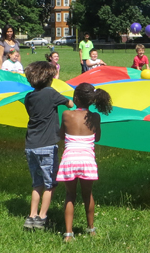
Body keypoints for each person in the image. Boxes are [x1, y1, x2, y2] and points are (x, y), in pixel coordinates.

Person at [23, 61, 74, 229]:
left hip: (30, 145)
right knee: (49, 184)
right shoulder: (51, 93)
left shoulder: (28, 97)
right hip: (47, 146)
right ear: (49, 78)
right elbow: (70, 104)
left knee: (36, 183)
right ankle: (42, 217)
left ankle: (31, 216)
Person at [58, 83, 112, 242]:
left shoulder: (67, 114)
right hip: (87, 160)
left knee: (70, 195)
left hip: (69, 159)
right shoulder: (95, 117)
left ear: (75, 98)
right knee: (87, 195)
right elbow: (97, 138)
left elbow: (61, 134)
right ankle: (91, 229)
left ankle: (68, 234)